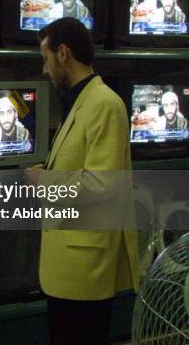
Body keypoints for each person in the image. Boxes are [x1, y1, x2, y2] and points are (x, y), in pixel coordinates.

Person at [24, 18, 139, 345]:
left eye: (46, 59)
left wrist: (43, 179)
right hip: (68, 264)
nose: (44, 70)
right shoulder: (81, 100)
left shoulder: (104, 104)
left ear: (63, 54)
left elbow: (102, 185)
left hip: (85, 268)